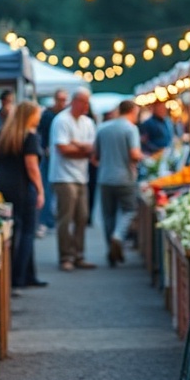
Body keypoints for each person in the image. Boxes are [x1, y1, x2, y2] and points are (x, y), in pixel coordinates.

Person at [0, 102, 46, 289]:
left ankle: (26, 275)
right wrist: (40, 190)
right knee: (27, 231)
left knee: (12, 230)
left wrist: (6, 166)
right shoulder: (30, 137)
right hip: (22, 186)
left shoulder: (3, 134)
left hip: (3, 184)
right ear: (29, 116)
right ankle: (19, 277)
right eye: (37, 114)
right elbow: (32, 166)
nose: (39, 117)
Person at [50, 88, 97, 271]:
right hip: (63, 176)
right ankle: (66, 256)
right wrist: (83, 150)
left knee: (82, 217)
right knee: (66, 217)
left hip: (81, 176)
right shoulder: (61, 120)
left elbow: (92, 149)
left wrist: (76, 146)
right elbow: (63, 149)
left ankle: (78, 254)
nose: (86, 106)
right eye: (84, 102)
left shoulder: (88, 122)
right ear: (76, 101)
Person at [94, 100, 143, 267]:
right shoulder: (131, 129)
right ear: (131, 111)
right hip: (125, 178)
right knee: (129, 210)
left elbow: (95, 157)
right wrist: (143, 158)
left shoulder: (103, 128)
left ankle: (111, 249)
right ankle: (118, 236)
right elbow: (135, 154)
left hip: (105, 177)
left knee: (108, 214)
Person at [37, 90, 69, 236]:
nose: (62, 103)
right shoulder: (48, 115)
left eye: (64, 100)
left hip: (63, 158)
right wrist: (44, 148)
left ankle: (53, 219)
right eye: (60, 99)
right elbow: (41, 135)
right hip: (48, 156)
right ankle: (46, 220)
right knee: (46, 188)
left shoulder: (66, 116)